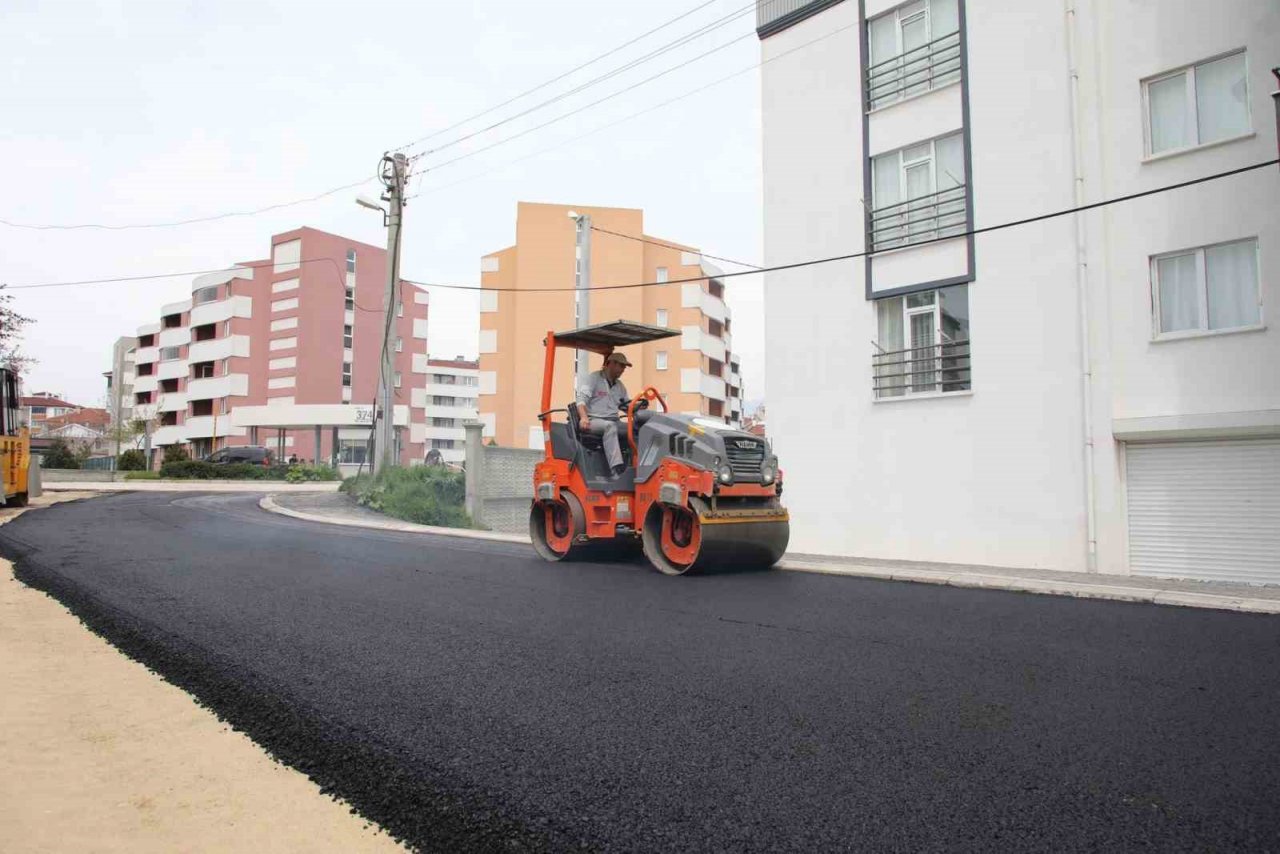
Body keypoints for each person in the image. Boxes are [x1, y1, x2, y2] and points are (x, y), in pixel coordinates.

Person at [577, 351, 632, 477]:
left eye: (624, 367)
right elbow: (581, 400)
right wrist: (584, 417)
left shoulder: (620, 386)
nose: (623, 370)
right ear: (611, 364)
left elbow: (626, 405)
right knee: (610, 427)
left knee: (636, 429)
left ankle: (635, 464)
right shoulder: (594, 378)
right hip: (593, 421)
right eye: (621, 366)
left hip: (614, 420)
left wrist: (638, 408)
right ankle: (616, 470)